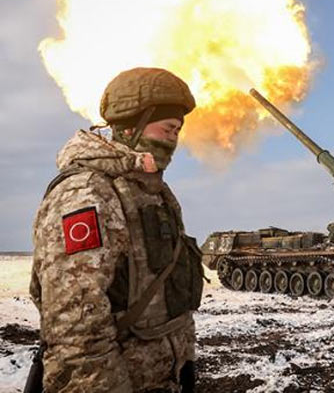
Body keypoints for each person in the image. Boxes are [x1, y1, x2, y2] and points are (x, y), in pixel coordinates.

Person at [29, 67, 205, 392]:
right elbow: (76, 333)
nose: (174, 139)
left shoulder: (149, 192)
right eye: (168, 128)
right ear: (130, 127)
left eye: (177, 131)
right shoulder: (86, 194)